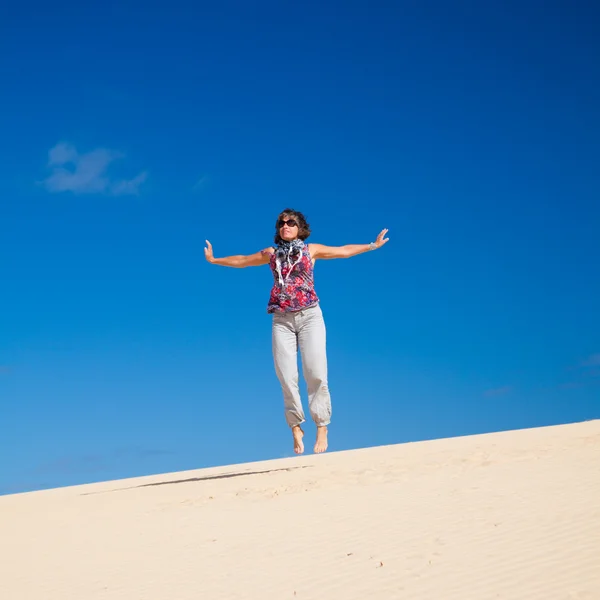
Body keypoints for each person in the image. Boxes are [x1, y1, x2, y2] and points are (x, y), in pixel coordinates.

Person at [204, 209, 389, 454]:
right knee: (286, 376)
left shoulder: (311, 250)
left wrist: (372, 245)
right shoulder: (271, 254)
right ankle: (296, 427)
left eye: (291, 222)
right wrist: (215, 260)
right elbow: (243, 260)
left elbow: (343, 250)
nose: (285, 226)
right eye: (282, 223)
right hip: (281, 319)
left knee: (316, 373)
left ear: (299, 227)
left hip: (310, 316)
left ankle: (322, 426)